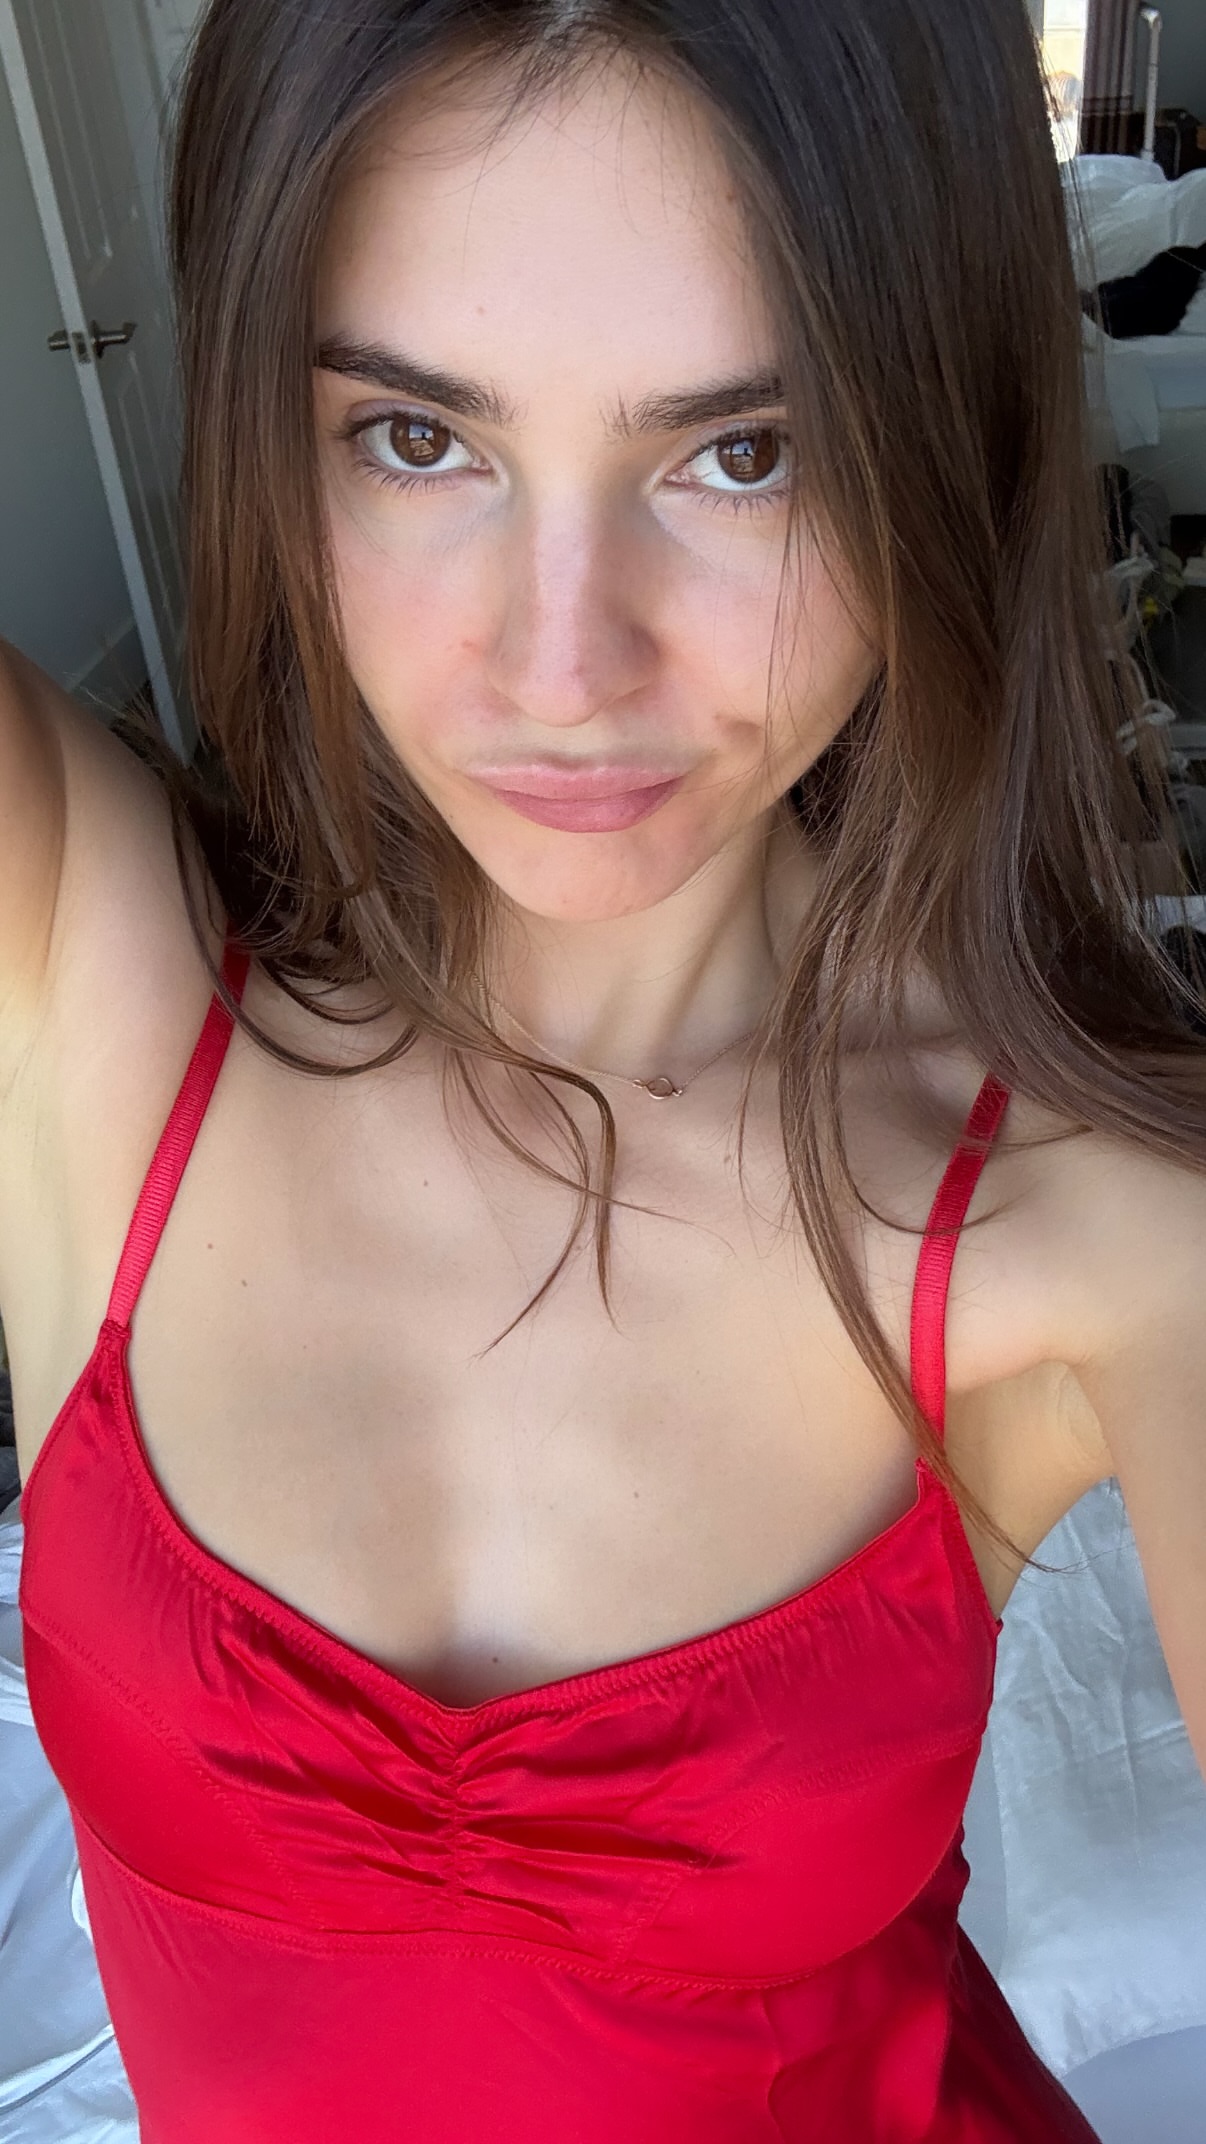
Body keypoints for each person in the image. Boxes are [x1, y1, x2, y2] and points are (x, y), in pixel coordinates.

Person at [1, 0, 1203, 2136]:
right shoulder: (88, 972)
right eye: (417, 439)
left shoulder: (1099, 1231)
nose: (561, 668)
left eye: (744, 454)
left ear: (939, 437)